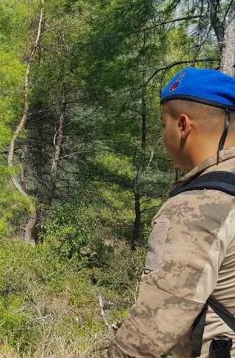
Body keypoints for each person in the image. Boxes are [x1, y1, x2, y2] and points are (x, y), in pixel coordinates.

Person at [109, 68, 235, 357]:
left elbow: (152, 332)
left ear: (183, 125)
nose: (163, 135)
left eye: (162, 124)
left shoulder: (199, 206)